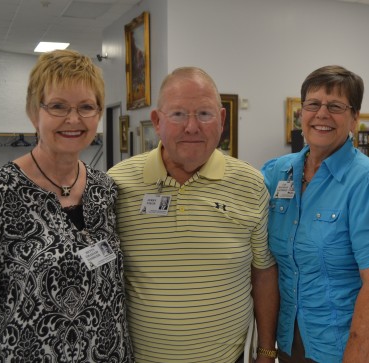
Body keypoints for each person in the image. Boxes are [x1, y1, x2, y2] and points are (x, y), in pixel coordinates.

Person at [0, 49, 133, 362]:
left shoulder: (104, 190)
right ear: (34, 112)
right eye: (58, 106)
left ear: (98, 114)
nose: (74, 119)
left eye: (86, 107)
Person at [108, 67, 279, 363]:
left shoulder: (251, 185)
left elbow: (263, 273)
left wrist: (265, 351)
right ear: (157, 122)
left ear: (222, 120)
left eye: (204, 114)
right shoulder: (117, 184)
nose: (191, 127)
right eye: (177, 115)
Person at [262, 65, 369, 363]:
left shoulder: (367, 181)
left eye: (336, 106)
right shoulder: (277, 172)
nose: (322, 114)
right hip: (293, 341)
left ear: (354, 118)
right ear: (301, 113)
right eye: (313, 104)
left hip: (356, 347)